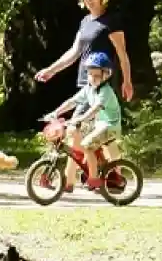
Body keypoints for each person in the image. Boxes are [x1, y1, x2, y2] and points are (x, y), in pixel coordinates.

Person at [35, 0, 135, 102]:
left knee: (82, 119)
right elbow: (74, 52)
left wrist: (127, 81)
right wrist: (51, 70)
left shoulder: (111, 22)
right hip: (85, 82)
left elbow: (122, 54)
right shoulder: (85, 21)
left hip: (102, 83)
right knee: (81, 120)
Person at [48, 53, 123, 189]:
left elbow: (95, 109)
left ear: (106, 75)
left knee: (87, 145)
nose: (92, 78)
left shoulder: (105, 92)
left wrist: (81, 118)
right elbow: (72, 101)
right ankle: (91, 168)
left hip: (110, 126)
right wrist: (56, 112)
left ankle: (93, 179)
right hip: (98, 125)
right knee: (77, 141)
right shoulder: (89, 89)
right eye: (90, 74)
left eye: (96, 76)